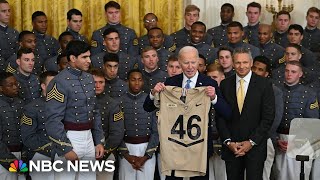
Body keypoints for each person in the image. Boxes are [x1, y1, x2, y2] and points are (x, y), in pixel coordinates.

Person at [144, 46, 231, 179]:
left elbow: (227, 113)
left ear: (198, 62)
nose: (190, 67)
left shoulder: (209, 83)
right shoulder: (171, 82)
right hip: (174, 146)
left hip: (199, 147)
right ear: (179, 62)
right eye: (186, 63)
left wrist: (214, 98)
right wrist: (153, 92)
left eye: (193, 62)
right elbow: (147, 107)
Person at [45, 40, 104, 180]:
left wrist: (98, 141)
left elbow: (94, 111)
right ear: (72, 58)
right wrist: (65, 148)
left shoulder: (89, 79)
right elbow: (53, 119)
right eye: (84, 57)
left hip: (88, 137)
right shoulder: (58, 81)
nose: (89, 60)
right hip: (70, 137)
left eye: (89, 56)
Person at [217, 48, 275, 180]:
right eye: (238, 63)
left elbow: (268, 117)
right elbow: (220, 116)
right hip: (232, 148)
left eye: (245, 62)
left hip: (255, 148)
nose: (241, 66)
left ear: (251, 63)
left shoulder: (264, 84)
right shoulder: (225, 84)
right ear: (232, 63)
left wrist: (251, 142)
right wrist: (228, 142)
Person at [274, 61, 319, 180]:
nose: (289, 74)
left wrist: (296, 142)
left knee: (298, 175)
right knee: (278, 175)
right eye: (287, 71)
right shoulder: (275, 91)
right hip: (279, 139)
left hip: (301, 141)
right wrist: (276, 139)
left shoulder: (309, 94)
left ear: (300, 74)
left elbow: (312, 122)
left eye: (293, 72)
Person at [118, 69, 159, 180]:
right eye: (133, 80)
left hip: (147, 148)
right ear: (127, 82)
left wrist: (146, 157)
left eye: (139, 80)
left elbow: (156, 131)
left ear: (143, 82)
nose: (137, 83)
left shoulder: (151, 101)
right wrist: (126, 155)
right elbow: (117, 131)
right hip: (126, 148)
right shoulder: (119, 102)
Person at [21, 71, 58, 180]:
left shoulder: (67, 105)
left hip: (64, 155)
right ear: (43, 86)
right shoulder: (31, 108)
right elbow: (28, 138)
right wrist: (51, 150)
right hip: (41, 155)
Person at [251, 56, 284, 180]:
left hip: (264, 139)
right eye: (254, 68)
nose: (255, 72)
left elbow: (275, 119)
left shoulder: (275, 91)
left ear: (266, 74)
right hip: (243, 140)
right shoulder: (241, 88)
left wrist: (257, 137)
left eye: (260, 70)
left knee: (262, 175)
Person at [89, 68, 124, 180]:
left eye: (101, 82)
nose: (98, 85)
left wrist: (104, 151)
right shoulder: (79, 101)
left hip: (106, 153)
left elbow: (117, 133)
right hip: (83, 152)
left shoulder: (112, 104)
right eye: (95, 82)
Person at [0, 72, 25, 180]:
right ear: (1, 88)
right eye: (10, 85)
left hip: (22, 154)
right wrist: (13, 163)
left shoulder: (20, 103)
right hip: (4, 157)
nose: (15, 87)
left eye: (16, 84)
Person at [0, 0, 19, 73]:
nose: (7, 14)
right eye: (4, 11)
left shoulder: (15, 32)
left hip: (14, 71)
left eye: (9, 11)